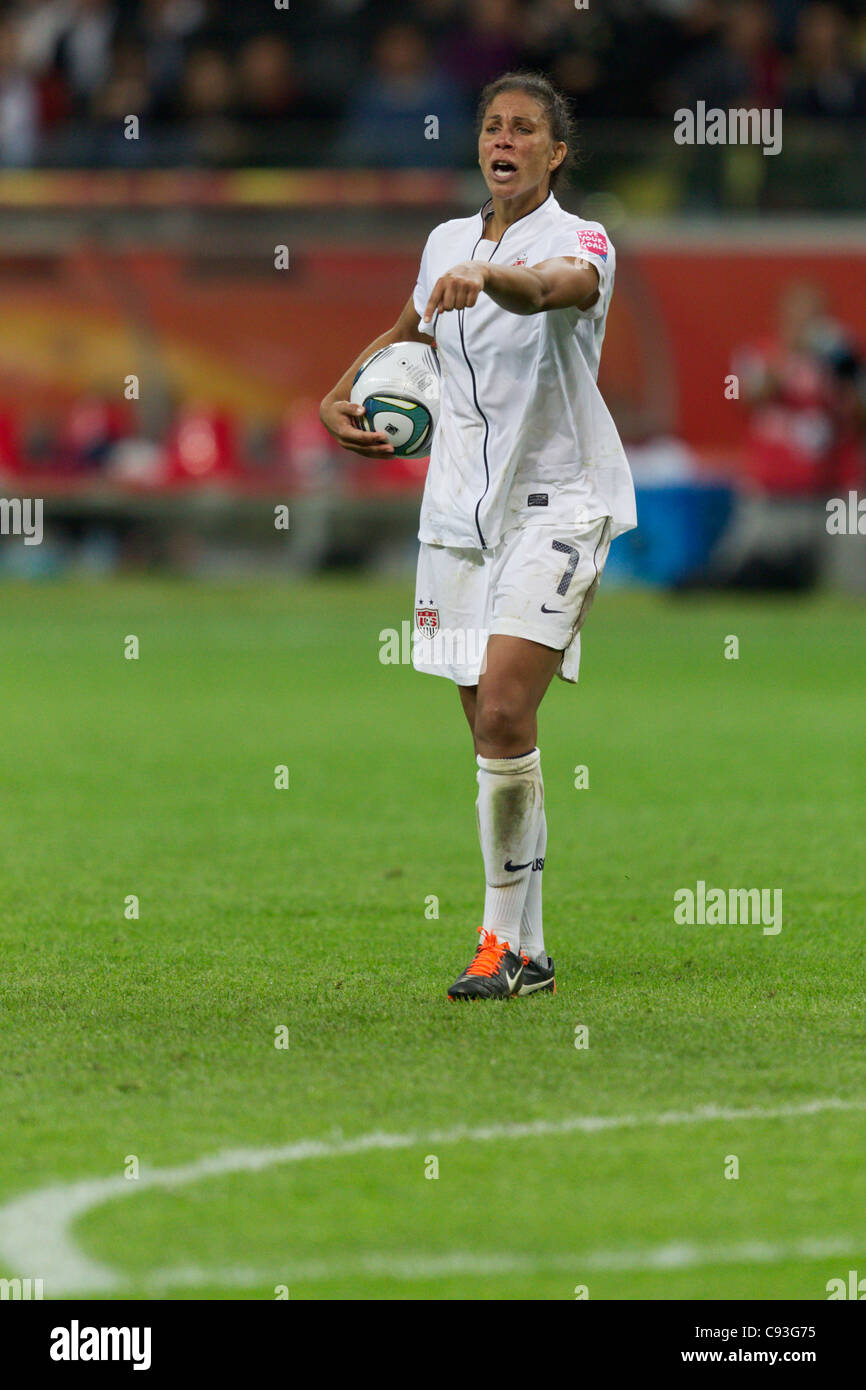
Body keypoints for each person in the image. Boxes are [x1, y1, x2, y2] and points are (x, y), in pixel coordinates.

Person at [320, 71, 636, 1001]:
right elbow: (407, 332)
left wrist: (489, 276)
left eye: (525, 129)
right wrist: (341, 394)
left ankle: (498, 943)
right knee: (493, 731)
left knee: (503, 707)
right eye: (493, 125)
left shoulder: (582, 241)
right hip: (457, 512)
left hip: (560, 504)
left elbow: (548, 291)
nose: (506, 139)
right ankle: (529, 949)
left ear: (555, 152)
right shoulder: (444, 243)